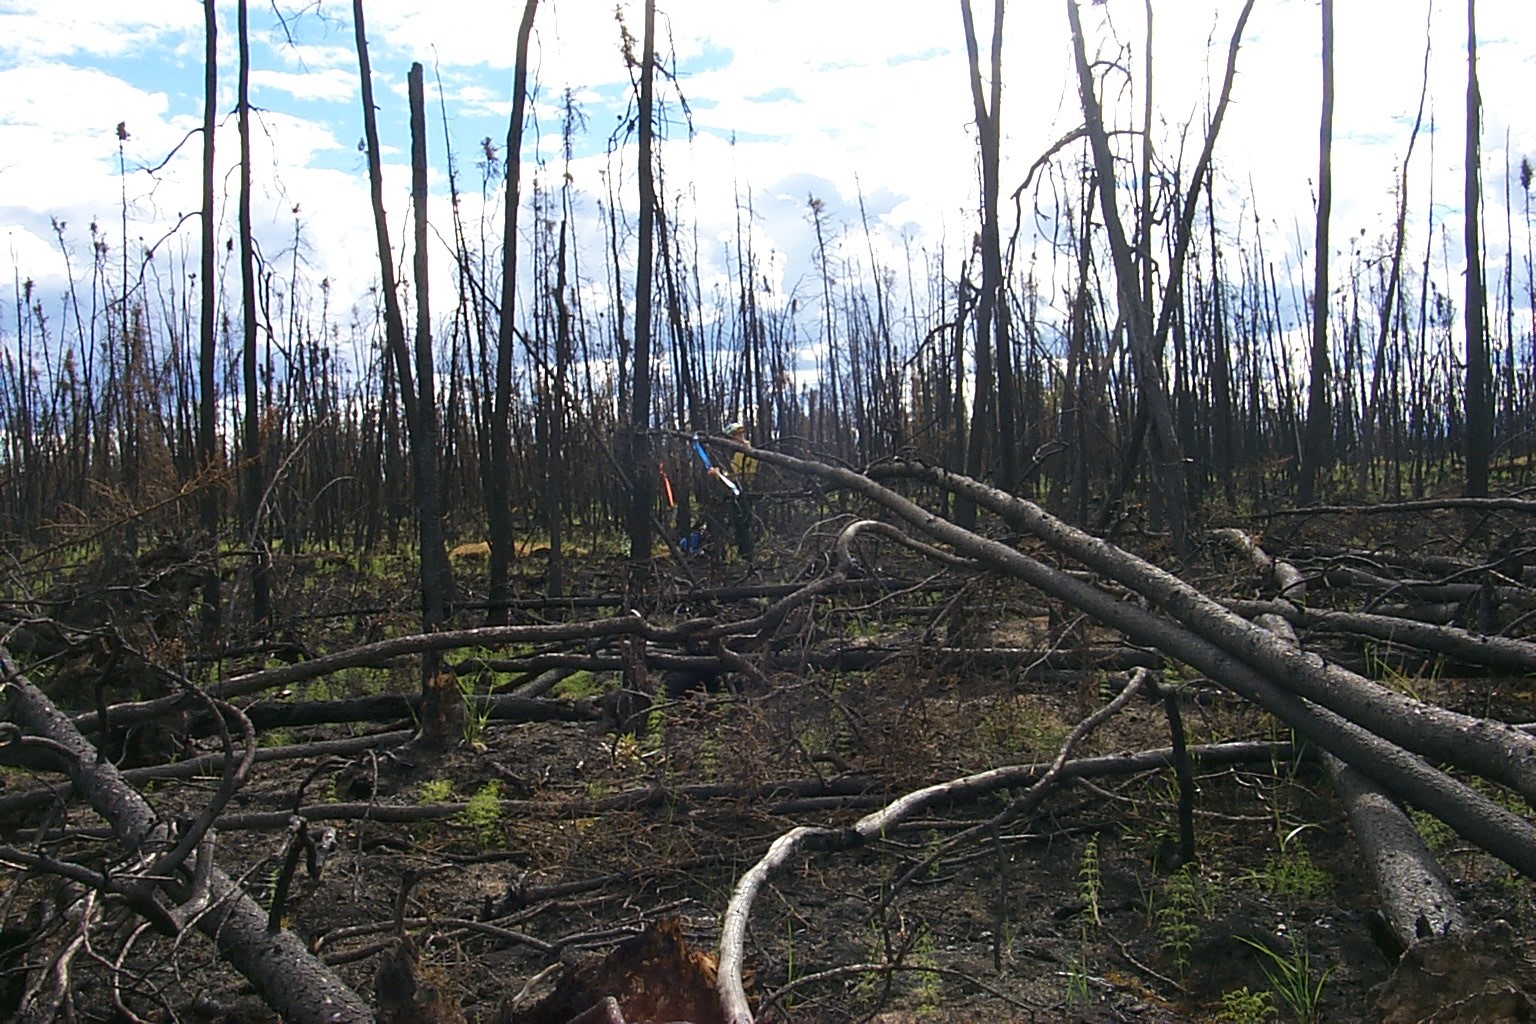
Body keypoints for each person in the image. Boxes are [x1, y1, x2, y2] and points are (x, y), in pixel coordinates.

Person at [712, 421, 757, 561]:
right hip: (741, 491)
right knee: (739, 523)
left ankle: (747, 557)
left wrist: (719, 475)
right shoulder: (744, 450)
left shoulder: (743, 452)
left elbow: (737, 477)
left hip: (742, 491)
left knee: (742, 524)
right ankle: (744, 555)